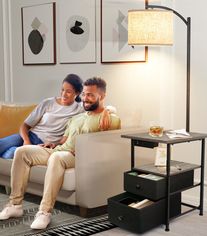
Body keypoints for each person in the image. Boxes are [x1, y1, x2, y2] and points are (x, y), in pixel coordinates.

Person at [0, 77, 121, 230]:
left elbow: (110, 144)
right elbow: (63, 140)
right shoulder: (76, 117)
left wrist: (108, 111)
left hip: (77, 156)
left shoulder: (109, 119)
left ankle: (44, 212)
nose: (85, 98)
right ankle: (15, 205)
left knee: (57, 157)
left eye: (90, 95)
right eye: (84, 94)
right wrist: (54, 144)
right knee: (22, 151)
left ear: (102, 96)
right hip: (59, 150)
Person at [0, 74, 112, 159]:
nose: (63, 94)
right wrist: (26, 141)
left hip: (43, 145)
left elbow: (101, 108)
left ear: (77, 93)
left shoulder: (79, 109)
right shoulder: (48, 102)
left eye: (68, 91)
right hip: (29, 136)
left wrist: (106, 111)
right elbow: (24, 126)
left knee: (9, 154)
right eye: (62, 90)